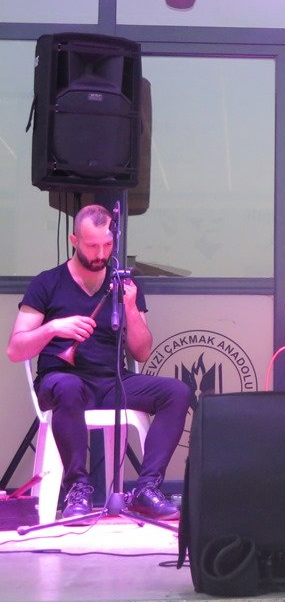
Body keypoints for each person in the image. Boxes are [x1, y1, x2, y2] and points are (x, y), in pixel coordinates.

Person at [6, 204, 190, 521]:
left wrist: (130, 308)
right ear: (74, 240)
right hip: (61, 381)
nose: (101, 253)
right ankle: (78, 489)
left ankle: (146, 489)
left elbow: (142, 352)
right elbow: (15, 349)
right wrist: (53, 328)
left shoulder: (124, 285)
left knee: (177, 392)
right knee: (68, 387)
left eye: (107, 245)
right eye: (92, 245)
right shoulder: (47, 283)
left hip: (112, 382)